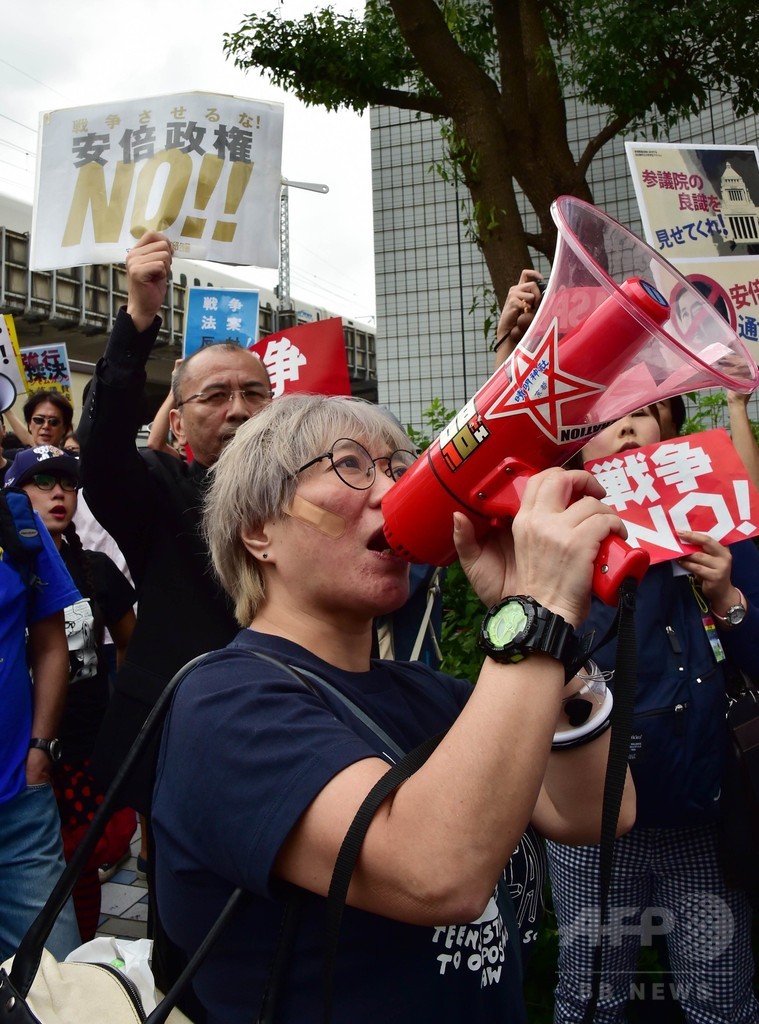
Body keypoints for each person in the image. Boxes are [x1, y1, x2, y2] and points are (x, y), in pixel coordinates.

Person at [151, 393, 636, 1024]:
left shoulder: (430, 693)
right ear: (258, 531)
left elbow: (595, 809)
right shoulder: (222, 703)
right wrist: (537, 613)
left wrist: (541, 627)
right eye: (350, 465)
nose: (393, 493)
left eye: (399, 469)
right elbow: (437, 872)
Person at [546, 405, 759, 1024]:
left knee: (720, 999)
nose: (627, 426)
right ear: (574, 448)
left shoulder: (711, 521)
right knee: (590, 999)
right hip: (589, 823)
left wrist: (725, 596)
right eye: (606, 417)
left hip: (701, 811)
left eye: (643, 412)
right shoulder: (549, 536)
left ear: (669, 434)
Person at [76, 230, 273, 813]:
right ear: (178, 423)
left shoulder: (315, 495)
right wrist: (139, 317)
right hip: (180, 731)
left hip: (291, 723)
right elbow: (103, 446)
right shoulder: (157, 490)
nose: (238, 410)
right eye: (215, 396)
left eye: (254, 393)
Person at [6, 445, 138, 940]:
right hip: (21, 750)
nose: (58, 493)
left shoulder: (97, 569)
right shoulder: (13, 561)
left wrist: (118, 718)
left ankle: (78, 962)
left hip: (77, 746)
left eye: (67, 483)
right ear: (15, 494)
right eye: (42, 482)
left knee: (79, 866)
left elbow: (130, 646)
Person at [0, 463, 81, 962]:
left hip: (18, 808)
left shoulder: (16, 521)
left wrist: (40, 748)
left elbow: (52, 645)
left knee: (58, 977)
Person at [5, 390, 74, 450]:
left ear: (65, 428)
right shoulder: (18, 459)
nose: (46, 426)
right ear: (29, 424)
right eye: (39, 420)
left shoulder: (73, 460)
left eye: (54, 422)